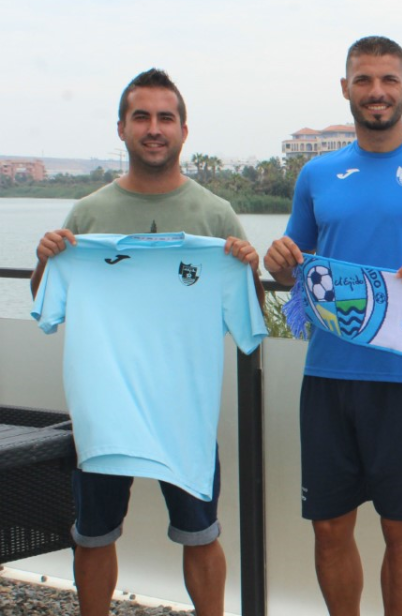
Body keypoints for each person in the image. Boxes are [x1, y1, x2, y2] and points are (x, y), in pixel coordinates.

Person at [264, 35, 402, 616]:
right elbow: (296, 271)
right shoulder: (317, 174)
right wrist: (279, 262)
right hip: (329, 376)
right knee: (330, 529)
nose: (377, 92)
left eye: (389, 80)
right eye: (364, 80)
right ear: (346, 89)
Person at [31, 68, 261, 616]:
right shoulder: (87, 215)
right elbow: (47, 305)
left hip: (185, 413)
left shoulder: (215, 216)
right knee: (93, 535)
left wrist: (248, 268)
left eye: (165, 118)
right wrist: (45, 258)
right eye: (142, 117)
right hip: (104, 412)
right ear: (122, 128)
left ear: (184, 130)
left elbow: (250, 316)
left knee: (201, 536)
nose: (154, 128)